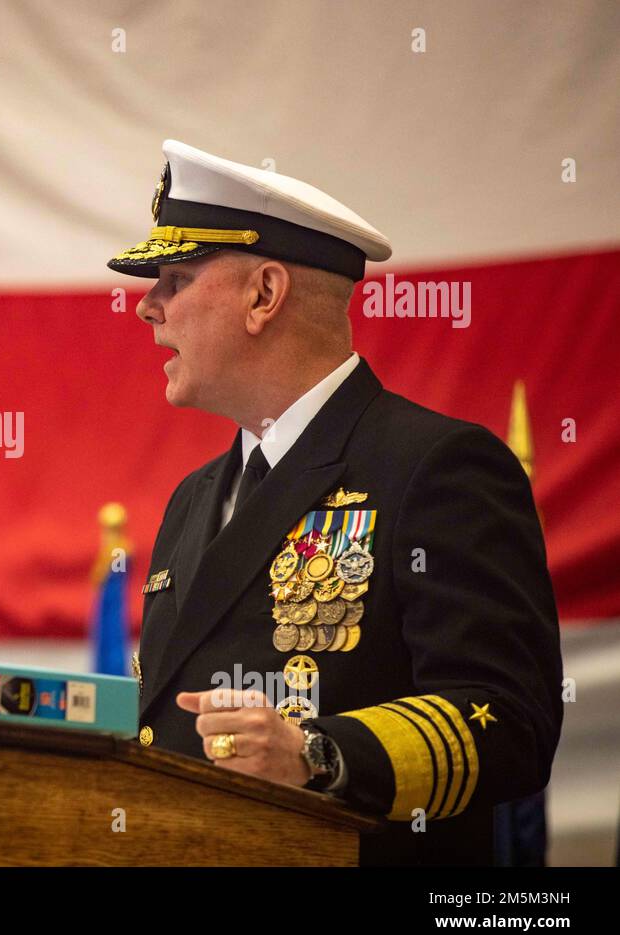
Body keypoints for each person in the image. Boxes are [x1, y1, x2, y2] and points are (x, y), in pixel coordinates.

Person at [109, 140, 562, 865]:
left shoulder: (436, 466)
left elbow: (509, 722)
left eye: (176, 277)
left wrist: (319, 754)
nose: (147, 307)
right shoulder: (191, 500)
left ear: (265, 294)